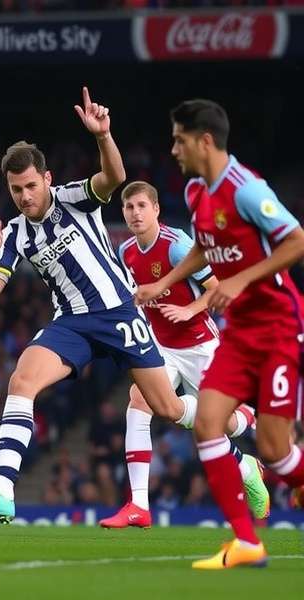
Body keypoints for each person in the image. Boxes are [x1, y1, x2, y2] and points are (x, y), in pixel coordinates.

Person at [0, 87, 204, 523]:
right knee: (21, 381)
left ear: (46, 179)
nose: (25, 196)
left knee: (168, 408)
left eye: (31, 185)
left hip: (121, 313)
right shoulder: (13, 233)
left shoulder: (75, 197)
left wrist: (103, 137)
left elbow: (114, 176)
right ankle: (2, 492)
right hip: (71, 323)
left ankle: (238, 430)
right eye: (16, 190)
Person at [136, 99, 304, 569]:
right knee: (207, 424)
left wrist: (241, 279)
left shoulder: (247, 190)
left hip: (278, 327)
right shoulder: (194, 191)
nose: (173, 149)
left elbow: (297, 241)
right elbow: (205, 251)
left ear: (204, 140)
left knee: (274, 450)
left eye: (179, 140)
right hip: (239, 332)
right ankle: (247, 543)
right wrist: (163, 283)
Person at [98, 180, 268, 529]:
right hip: (161, 348)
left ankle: (246, 451)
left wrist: (191, 309)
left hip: (200, 346)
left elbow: (219, 288)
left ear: (156, 209)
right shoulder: (126, 251)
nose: (135, 213)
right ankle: (138, 505)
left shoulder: (177, 246)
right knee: (139, 402)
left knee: (219, 427)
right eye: (129, 208)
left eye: (142, 206)